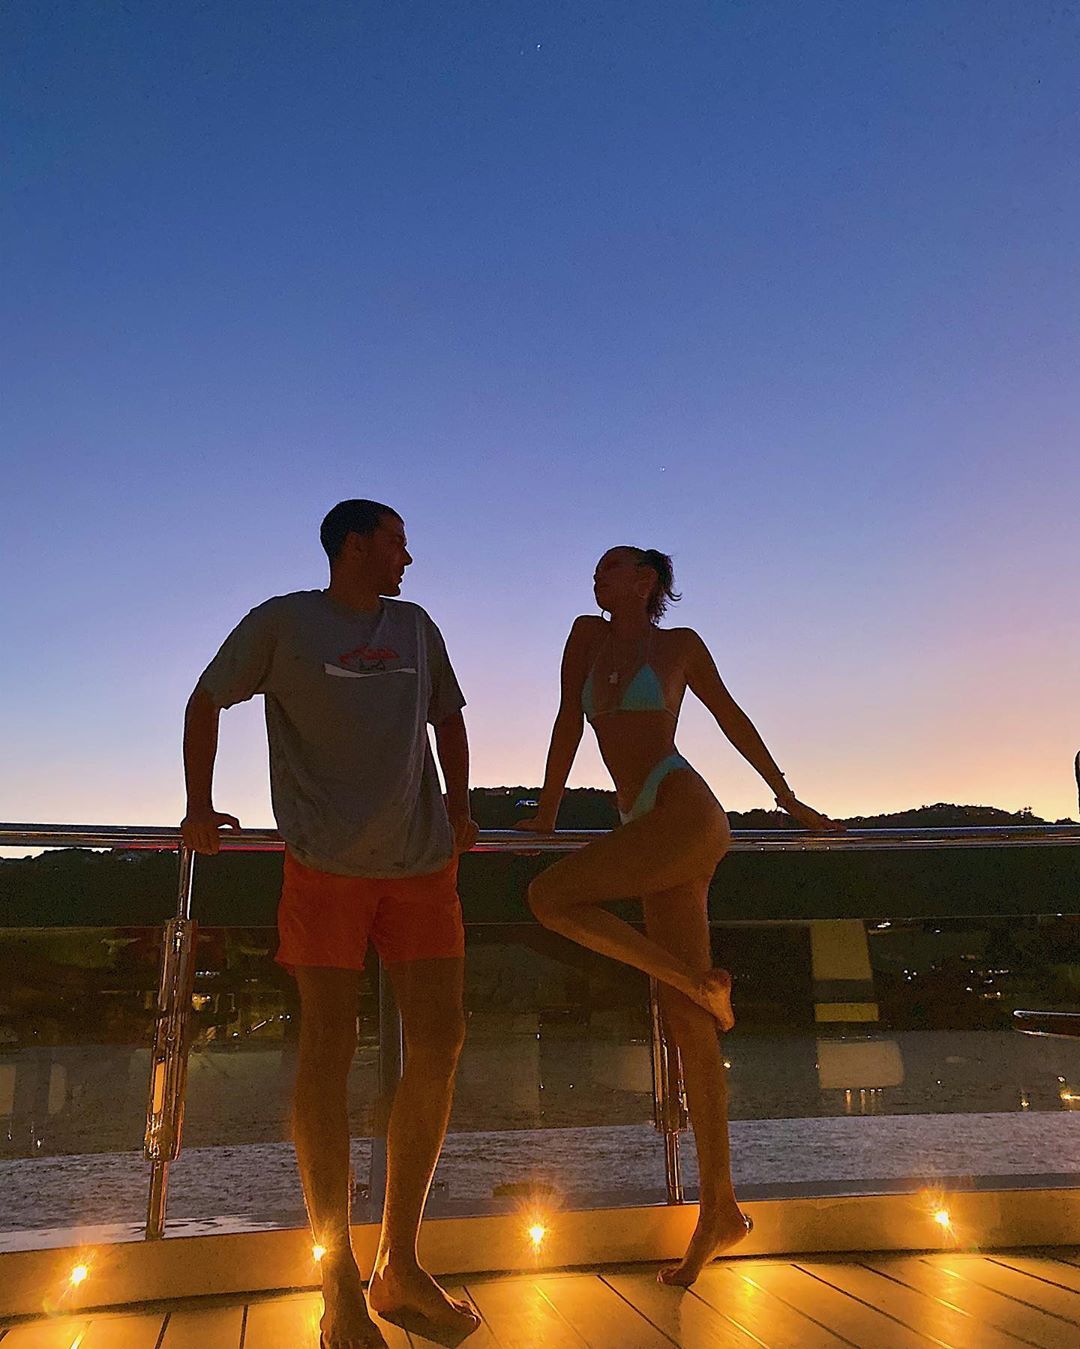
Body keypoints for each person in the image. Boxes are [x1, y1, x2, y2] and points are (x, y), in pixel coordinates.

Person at [181, 500, 481, 1349]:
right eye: (396, 542)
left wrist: (460, 804)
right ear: (354, 546)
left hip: (420, 863)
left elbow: (448, 717)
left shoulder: (416, 627)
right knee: (327, 1049)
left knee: (442, 1038)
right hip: (324, 867)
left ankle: (400, 1261)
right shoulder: (283, 622)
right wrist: (199, 804)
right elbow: (206, 698)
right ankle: (337, 1279)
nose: (408, 558)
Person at [517, 545, 839, 1286]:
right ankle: (720, 1207)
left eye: (610, 568)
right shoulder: (585, 636)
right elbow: (568, 721)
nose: (595, 577)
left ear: (646, 581)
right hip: (643, 818)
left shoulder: (681, 646)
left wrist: (789, 800)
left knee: (550, 898)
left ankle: (697, 982)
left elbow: (732, 719)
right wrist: (546, 812)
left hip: (684, 810)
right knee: (685, 1020)